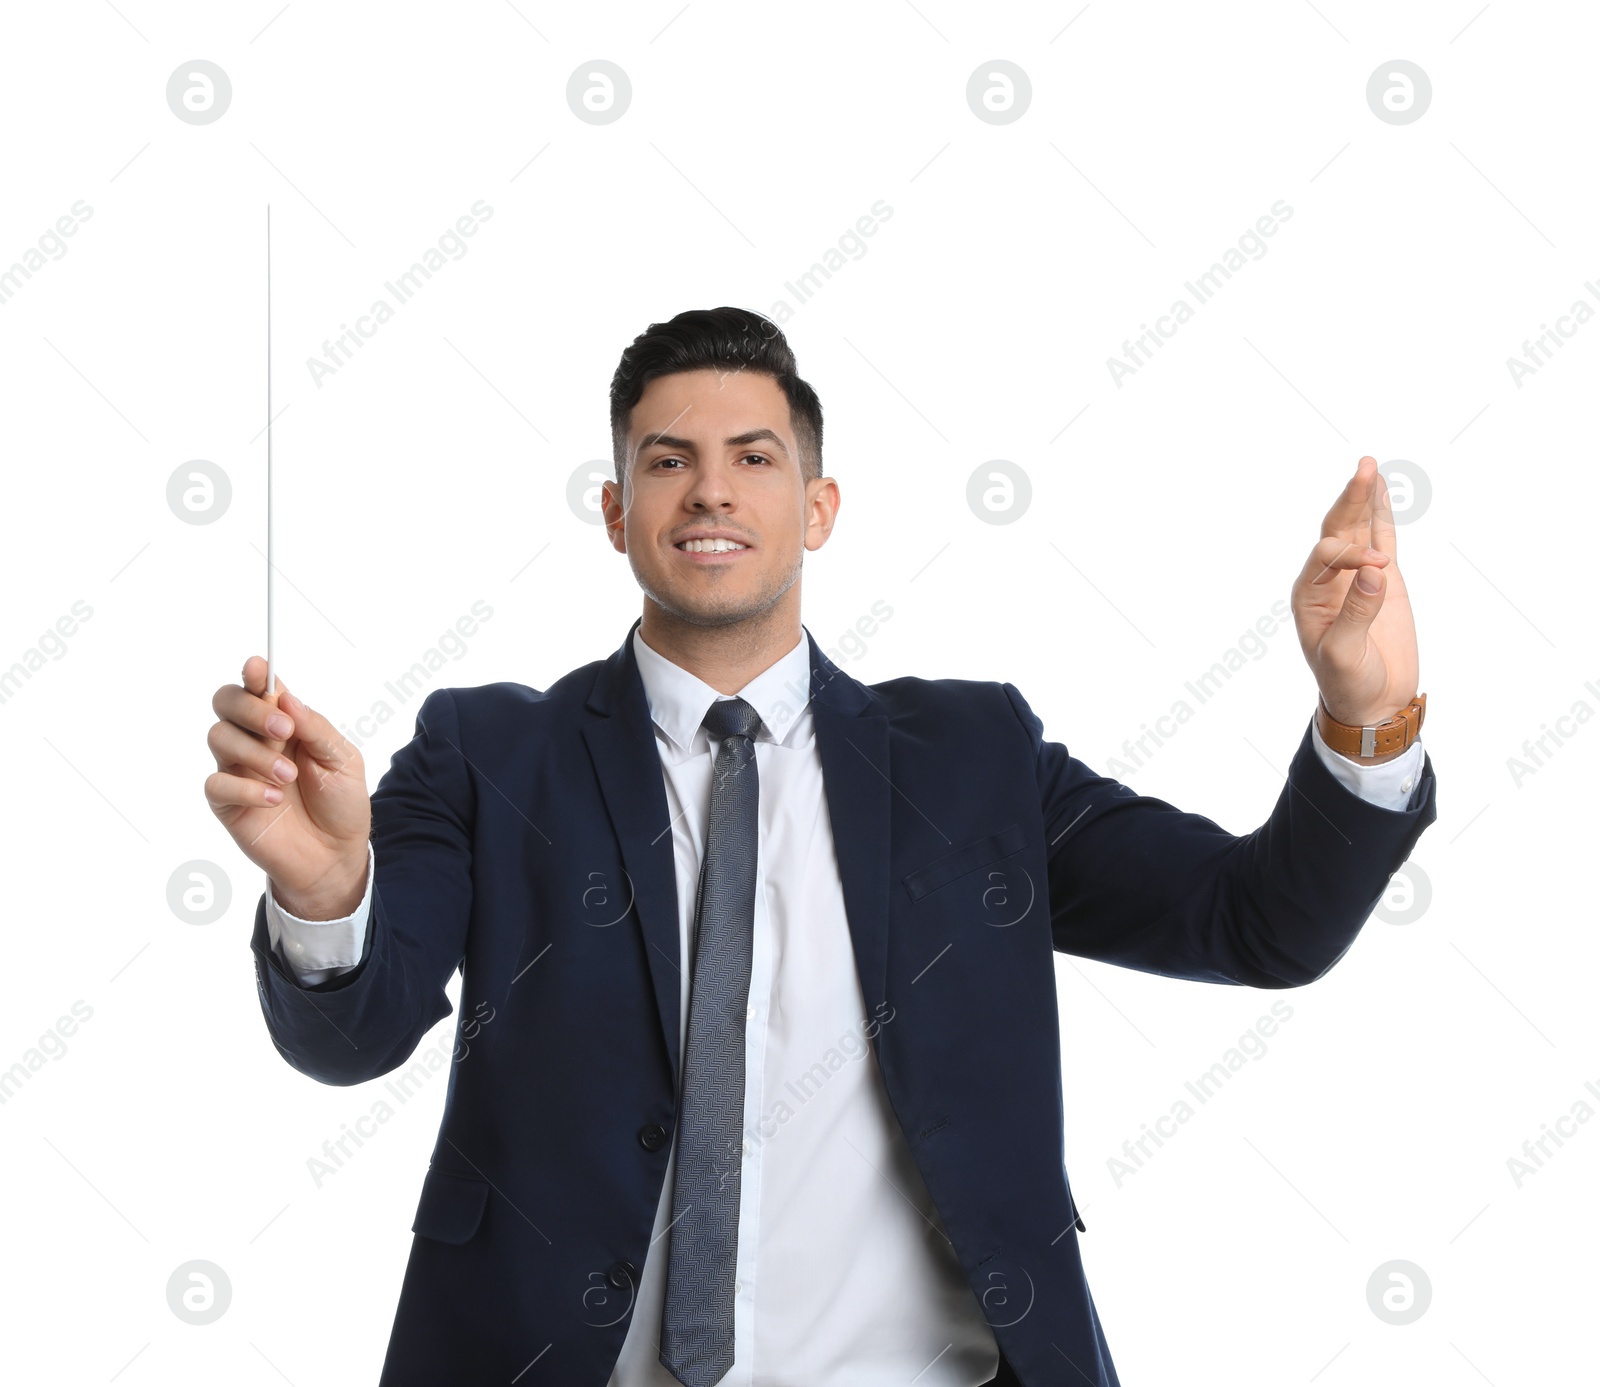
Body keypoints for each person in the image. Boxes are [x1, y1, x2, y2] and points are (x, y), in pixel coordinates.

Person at [205, 307, 1436, 1386]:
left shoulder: (972, 753)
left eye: (754, 458)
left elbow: (1255, 924)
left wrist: (1363, 719)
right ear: (617, 512)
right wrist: (324, 893)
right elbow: (353, 1036)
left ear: (819, 506)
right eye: (667, 461)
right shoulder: (486, 753)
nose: (712, 492)